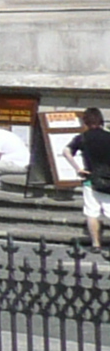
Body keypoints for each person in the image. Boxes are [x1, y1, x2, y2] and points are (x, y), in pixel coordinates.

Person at [70, 107, 110, 251]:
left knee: (92, 212)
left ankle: (96, 244)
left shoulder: (82, 137)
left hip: (91, 179)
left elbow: (66, 151)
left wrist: (78, 169)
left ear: (85, 121)